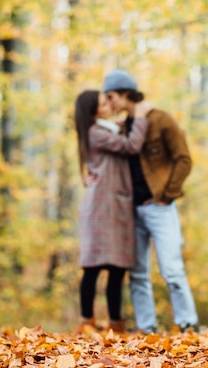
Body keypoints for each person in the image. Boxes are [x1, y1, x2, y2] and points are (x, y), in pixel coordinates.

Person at [102, 69, 199, 333]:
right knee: (137, 274)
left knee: (172, 270)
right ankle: (147, 329)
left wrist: (165, 196)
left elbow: (184, 159)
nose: (108, 102)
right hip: (130, 211)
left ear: (124, 93)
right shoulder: (123, 127)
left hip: (159, 208)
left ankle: (188, 324)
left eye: (110, 96)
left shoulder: (161, 120)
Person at [74, 89, 152, 333]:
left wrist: (126, 120)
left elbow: (118, 130)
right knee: (93, 265)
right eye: (103, 103)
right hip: (100, 206)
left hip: (116, 205)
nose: (108, 105)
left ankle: (115, 324)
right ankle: (87, 321)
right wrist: (139, 118)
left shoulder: (104, 129)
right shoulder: (95, 133)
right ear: (93, 111)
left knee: (117, 267)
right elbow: (131, 145)